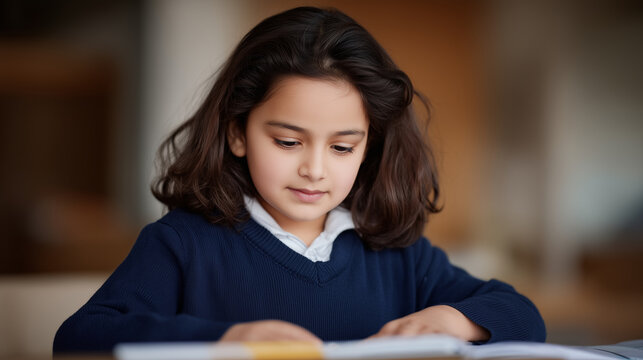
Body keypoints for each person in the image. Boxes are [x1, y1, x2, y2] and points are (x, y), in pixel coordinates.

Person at [53, 6, 546, 353]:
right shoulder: (183, 244)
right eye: (288, 142)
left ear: (368, 147)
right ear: (237, 133)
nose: (314, 168)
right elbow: (78, 338)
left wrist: (455, 320)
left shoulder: (398, 256)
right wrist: (226, 340)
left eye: (342, 147)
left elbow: (521, 314)